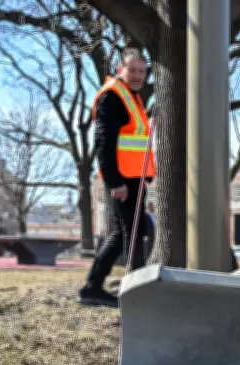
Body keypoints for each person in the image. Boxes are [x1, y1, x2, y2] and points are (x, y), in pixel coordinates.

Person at [79, 48, 156, 307]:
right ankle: (133, 291)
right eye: (131, 70)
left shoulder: (131, 97)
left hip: (133, 178)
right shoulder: (113, 96)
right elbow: (103, 142)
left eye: (141, 71)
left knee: (128, 231)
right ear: (119, 69)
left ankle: (93, 287)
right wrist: (115, 181)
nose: (137, 76)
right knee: (131, 233)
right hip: (123, 180)